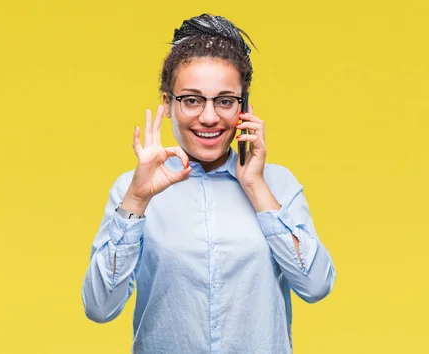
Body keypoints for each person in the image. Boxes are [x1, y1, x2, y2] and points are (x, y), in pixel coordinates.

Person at [81, 13, 336, 354]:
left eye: (225, 100)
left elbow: (316, 285)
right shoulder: (132, 189)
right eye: (192, 99)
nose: (210, 116)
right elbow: (100, 307)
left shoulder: (278, 184)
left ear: (243, 106)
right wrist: (137, 200)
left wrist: (255, 186)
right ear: (167, 103)